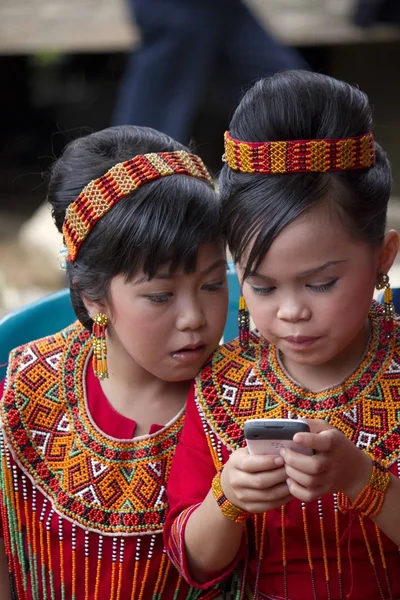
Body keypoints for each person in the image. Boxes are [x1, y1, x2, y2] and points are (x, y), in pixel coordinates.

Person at [164, 71, 400, 599]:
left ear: (383, 258)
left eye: (321, 283)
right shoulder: (222, 385)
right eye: (262, 287)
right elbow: (192, 564)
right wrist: (226, 498)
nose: (292, 312)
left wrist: (364, 479)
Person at [0, 125, 228, 599]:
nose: (194, 319)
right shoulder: (27, 391)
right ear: (93, 296)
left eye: (212, 285)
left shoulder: (249, 393)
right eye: (160, 295)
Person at [113, 0, 308, 145]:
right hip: (175, 8)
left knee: (299, 98)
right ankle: (129, 189)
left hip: (217, 7)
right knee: (150, 129)